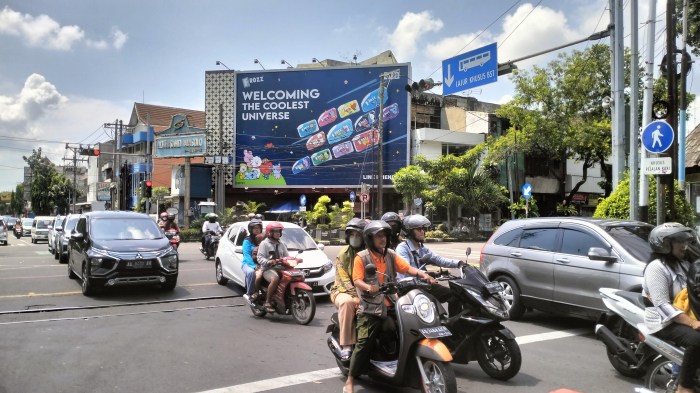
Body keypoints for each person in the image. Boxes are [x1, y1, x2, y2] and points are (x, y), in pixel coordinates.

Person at [344, 220, 436, 393]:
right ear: (370, 238)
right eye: (379, 236)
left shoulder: (391, 255)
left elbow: (407, 268)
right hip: (371, 307)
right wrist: (369, 287)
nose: (383, 239)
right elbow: (357, 279)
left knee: (410, 327)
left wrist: (423, 274)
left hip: (392, 303)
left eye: (384, 235)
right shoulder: (361, 257)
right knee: (364, 342)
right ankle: (350, 380)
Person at [643, 222, 700, 393]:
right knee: (697, 340)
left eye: (685, 241)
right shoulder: (656, 268)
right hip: (664, 322)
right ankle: (684, 386)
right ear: (664, 244)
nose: (684, 246)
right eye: (678, 242)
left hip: (683, 315)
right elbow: (662, 306)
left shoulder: (683, 264)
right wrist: (691, 323)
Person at [396, 214, 465, 316]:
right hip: (409, 287)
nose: (422, 231)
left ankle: (454, 326)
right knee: (435, 309)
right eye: (418, 229)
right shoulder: (403, 248)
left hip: (424, 284)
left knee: (455, 295)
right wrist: (425, 273)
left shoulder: (423, 248)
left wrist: (459, 263)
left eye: (423, 229)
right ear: (409, 232)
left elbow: (438, 259)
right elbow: (406, 269)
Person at [330, 218, 367, 360]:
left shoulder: (369, 252)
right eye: (352, 234)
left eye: (358, 235)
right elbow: (344, 280)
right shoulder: (343, 254)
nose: (355, 238)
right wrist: (355, 296)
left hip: (366, 291)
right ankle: (346, 344)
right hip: (342, 291)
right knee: (347, 303)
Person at [255, 222, 302, 313]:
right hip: (268, 269)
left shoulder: (282, 244)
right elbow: (259, 258)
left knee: (293, 276)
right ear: (269, 233)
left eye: (279, 231)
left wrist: (296, 259)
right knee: (275, 278)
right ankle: (268, 302)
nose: (277, 233)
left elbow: (286, 256)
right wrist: (268, 261)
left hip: (281, 268)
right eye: (275, 231)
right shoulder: (264, 244)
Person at [242, 218, 263, 300]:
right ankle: (250, 293)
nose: (257, 230)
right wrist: (253, 266)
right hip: (248, 263)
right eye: (255, 228)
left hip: (262, 262)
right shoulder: (247, 240)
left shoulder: (264, 239)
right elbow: (246, 255)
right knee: (251, 273)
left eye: (258, 228)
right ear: (251, 229)